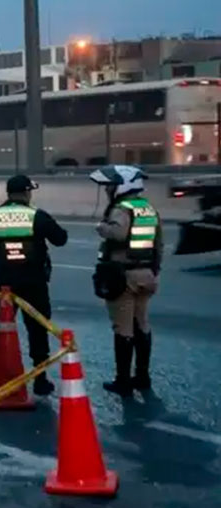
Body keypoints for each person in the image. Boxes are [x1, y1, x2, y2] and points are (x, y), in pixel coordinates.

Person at [0, 174, 67, 396]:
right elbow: (60, 239)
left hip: (4, 282)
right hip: (34, 280)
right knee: (37, 328)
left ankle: (0, 376)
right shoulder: (36, 215)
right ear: (26, 193)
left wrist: (0, 250)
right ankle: (40, 379)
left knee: (2, 327)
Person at [90, 165, 161, 397]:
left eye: (111, 185)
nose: (108, 189)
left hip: (124, 276)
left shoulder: (122, 208)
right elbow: (158, 243)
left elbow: (118, 233)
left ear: (123, 185)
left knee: (123, 328)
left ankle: (123, 381)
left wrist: (102, 227)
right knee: (142, 325)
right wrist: (153, 271)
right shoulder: (147, 208)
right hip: (146, 275)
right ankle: (142, 377)